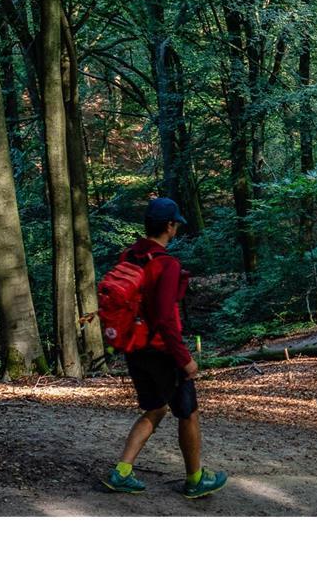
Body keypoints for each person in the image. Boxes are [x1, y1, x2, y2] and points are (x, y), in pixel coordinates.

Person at [102, 197, 228, 499]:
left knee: (156, 408)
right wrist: (184, 359)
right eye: (175, 225)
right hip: (161, 351)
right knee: (188, 413)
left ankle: (121, 472)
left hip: (134, 348)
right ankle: (196, 479)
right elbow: (164, 318)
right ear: (169, 226)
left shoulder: (128, 255)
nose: (176, 230)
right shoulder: (167, 265)